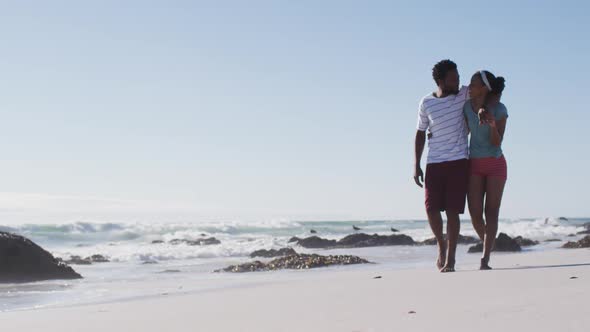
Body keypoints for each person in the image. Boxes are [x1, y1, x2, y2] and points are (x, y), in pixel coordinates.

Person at [414, 59, 469, 272]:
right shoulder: (426, 102)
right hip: (434, 162)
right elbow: (420, 133)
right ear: (441, 81)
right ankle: (441, 245)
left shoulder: (464, 94)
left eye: (458, 77)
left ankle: (451, 259)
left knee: (453, 212)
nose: (458, 82)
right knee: (431, 209)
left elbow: (485, 87)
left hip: (458, 161)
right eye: (453, 79)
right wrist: (416, 164)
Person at [463, 70, 508, 270]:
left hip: (495, 163)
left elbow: (497, 142)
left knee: (491, 212)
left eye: (473, 84)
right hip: (474, 164)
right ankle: (488, 241)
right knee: (474, 213)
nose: (469, 87)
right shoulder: (466, 107)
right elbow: (462, 131)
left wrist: (491, 125)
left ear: (484, 88)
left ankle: (485, 257)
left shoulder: (499, 109)